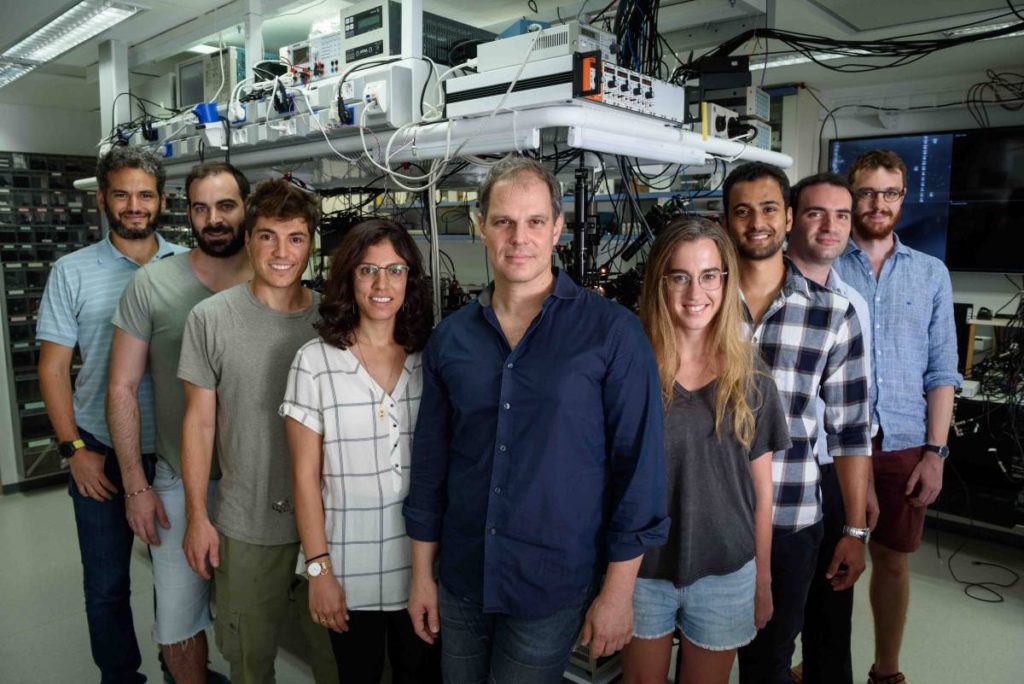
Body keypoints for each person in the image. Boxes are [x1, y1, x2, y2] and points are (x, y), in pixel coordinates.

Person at [403, 156, 668, 684]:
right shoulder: (451, 339)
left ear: (558, 228)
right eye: (503, 221)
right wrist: (422, 577)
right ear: (481, 226)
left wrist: (617, 594)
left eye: (534, 222)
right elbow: (431, 467)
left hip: (550, 583)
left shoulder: (611, 333)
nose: (518, 237)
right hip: (462, 576)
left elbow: (639, 470)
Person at [36, 145, 187, 683]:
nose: (134, 205)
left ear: (161, 201)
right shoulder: (71, 272)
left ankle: (182, 668)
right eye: (121, 194)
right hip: (99, 452)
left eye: (145, 195)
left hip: (172, 449)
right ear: (103, 199)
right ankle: (121, 677)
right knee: (106, 582)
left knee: (178, 579)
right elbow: (53, 369)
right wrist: (73, 449)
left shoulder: (190, 265)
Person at [721, 161, 872, 684]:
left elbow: (850, 433)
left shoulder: (834, 315)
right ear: (726, 224)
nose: (755, 222)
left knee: (769, 661)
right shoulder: (698, 302)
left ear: (787, 219)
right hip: (706, 512)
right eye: (742, 211)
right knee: (705, 653)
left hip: (790, 517)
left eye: (767, 209)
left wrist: (854, 529)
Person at [622, 217, 790, 684]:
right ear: (660, 282)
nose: (696, 292)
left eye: (709, 276)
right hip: (642, 570)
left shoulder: (751, 376)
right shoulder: (629, 368)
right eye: (680, 276)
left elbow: (761, 492)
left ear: (725, 280)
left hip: (725, 571)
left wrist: (762, 579)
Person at [107, 161, 250, 684]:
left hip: (257, 485)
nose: (213, 219)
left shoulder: (274, 277)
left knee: (252, 620)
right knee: (177, 621)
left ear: (246, 208)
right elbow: (121, 387)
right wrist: (135, 484)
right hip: (174, 480)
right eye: (200, 207)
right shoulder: (152, 285)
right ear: (185, 212)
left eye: (226, 206)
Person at [282, 219, 441, 684]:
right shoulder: (315, 362)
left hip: (421, 571)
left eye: (395, 270)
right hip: (348, 572)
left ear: (410, 278)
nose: (381, 284)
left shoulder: (430, 359)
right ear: (349, 277)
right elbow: (305, 479)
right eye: (368, 270)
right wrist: (319, 571)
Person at [178, 178, 321, 683]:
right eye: (268, 236)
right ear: (249, 238)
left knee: (337, 663)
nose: (282, 253)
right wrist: (198, 515)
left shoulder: (335, 318)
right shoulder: (211, 319)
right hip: (246, 523)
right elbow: (198, 423)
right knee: (250, 663)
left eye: (296, 238)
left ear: (311, 243)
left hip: (327, 530)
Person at [834, 150, 961, 684]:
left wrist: (935, 454)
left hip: (906, 441)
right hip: (836, 444)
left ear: (903, 198)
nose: (878, 203)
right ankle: (823, 662)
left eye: (889, 193)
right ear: (852, 196)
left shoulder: (931, 273)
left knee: (891, 561)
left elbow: (942, 370)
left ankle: (886, 670)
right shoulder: (826, 265)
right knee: (831, 564)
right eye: (866, 192)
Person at [785, 172, 877, 684]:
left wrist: (859, 506)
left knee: (831, 614)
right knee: (768, 618)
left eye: (842, 215)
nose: (831, 226)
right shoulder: (763, 291)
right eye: (817, 212)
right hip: (777, 475)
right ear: (793, 218)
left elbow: (857, 418)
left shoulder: (853, 305)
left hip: (834, 475)